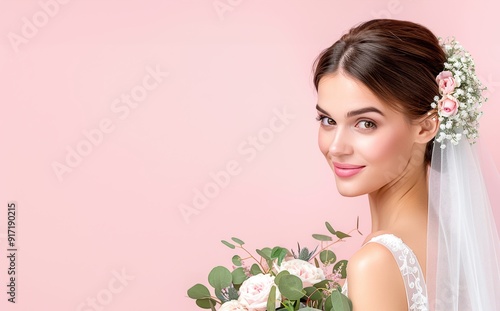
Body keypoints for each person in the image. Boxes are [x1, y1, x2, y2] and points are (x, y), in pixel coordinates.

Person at [312, 19, 500, 310]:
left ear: (425, 127)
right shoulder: (457, 248)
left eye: (365, 123)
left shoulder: (377, 263)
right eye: (328, 120)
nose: (336, 147)